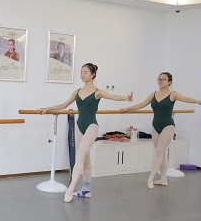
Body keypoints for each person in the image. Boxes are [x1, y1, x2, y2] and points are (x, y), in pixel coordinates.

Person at [39, 63, 133, 203]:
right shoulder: (77, 92)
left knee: (80, 157)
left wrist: (126, 98)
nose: (82, 75)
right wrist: (48, 108)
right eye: (81, 72)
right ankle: (86, 189)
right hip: (79, 126)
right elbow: (64, 105)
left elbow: (113, 97)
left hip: (91, 126)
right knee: (86, 158)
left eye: (85, 72)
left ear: (93, 75)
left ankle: (70, 189)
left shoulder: (97, 92)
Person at [121, 72, 201, 189]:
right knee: (162, 153)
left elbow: (186, 98)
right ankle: (163, 179)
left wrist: (198, 101)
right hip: (155, 126)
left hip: (168, 126)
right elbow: (141, 104)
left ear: (169, 82)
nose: (160, 81)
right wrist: (127, 108)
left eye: (164, 79)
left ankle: (150, 178)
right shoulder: (153, 94)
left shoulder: (173, 94)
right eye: (159, 79)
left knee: (159, 152)